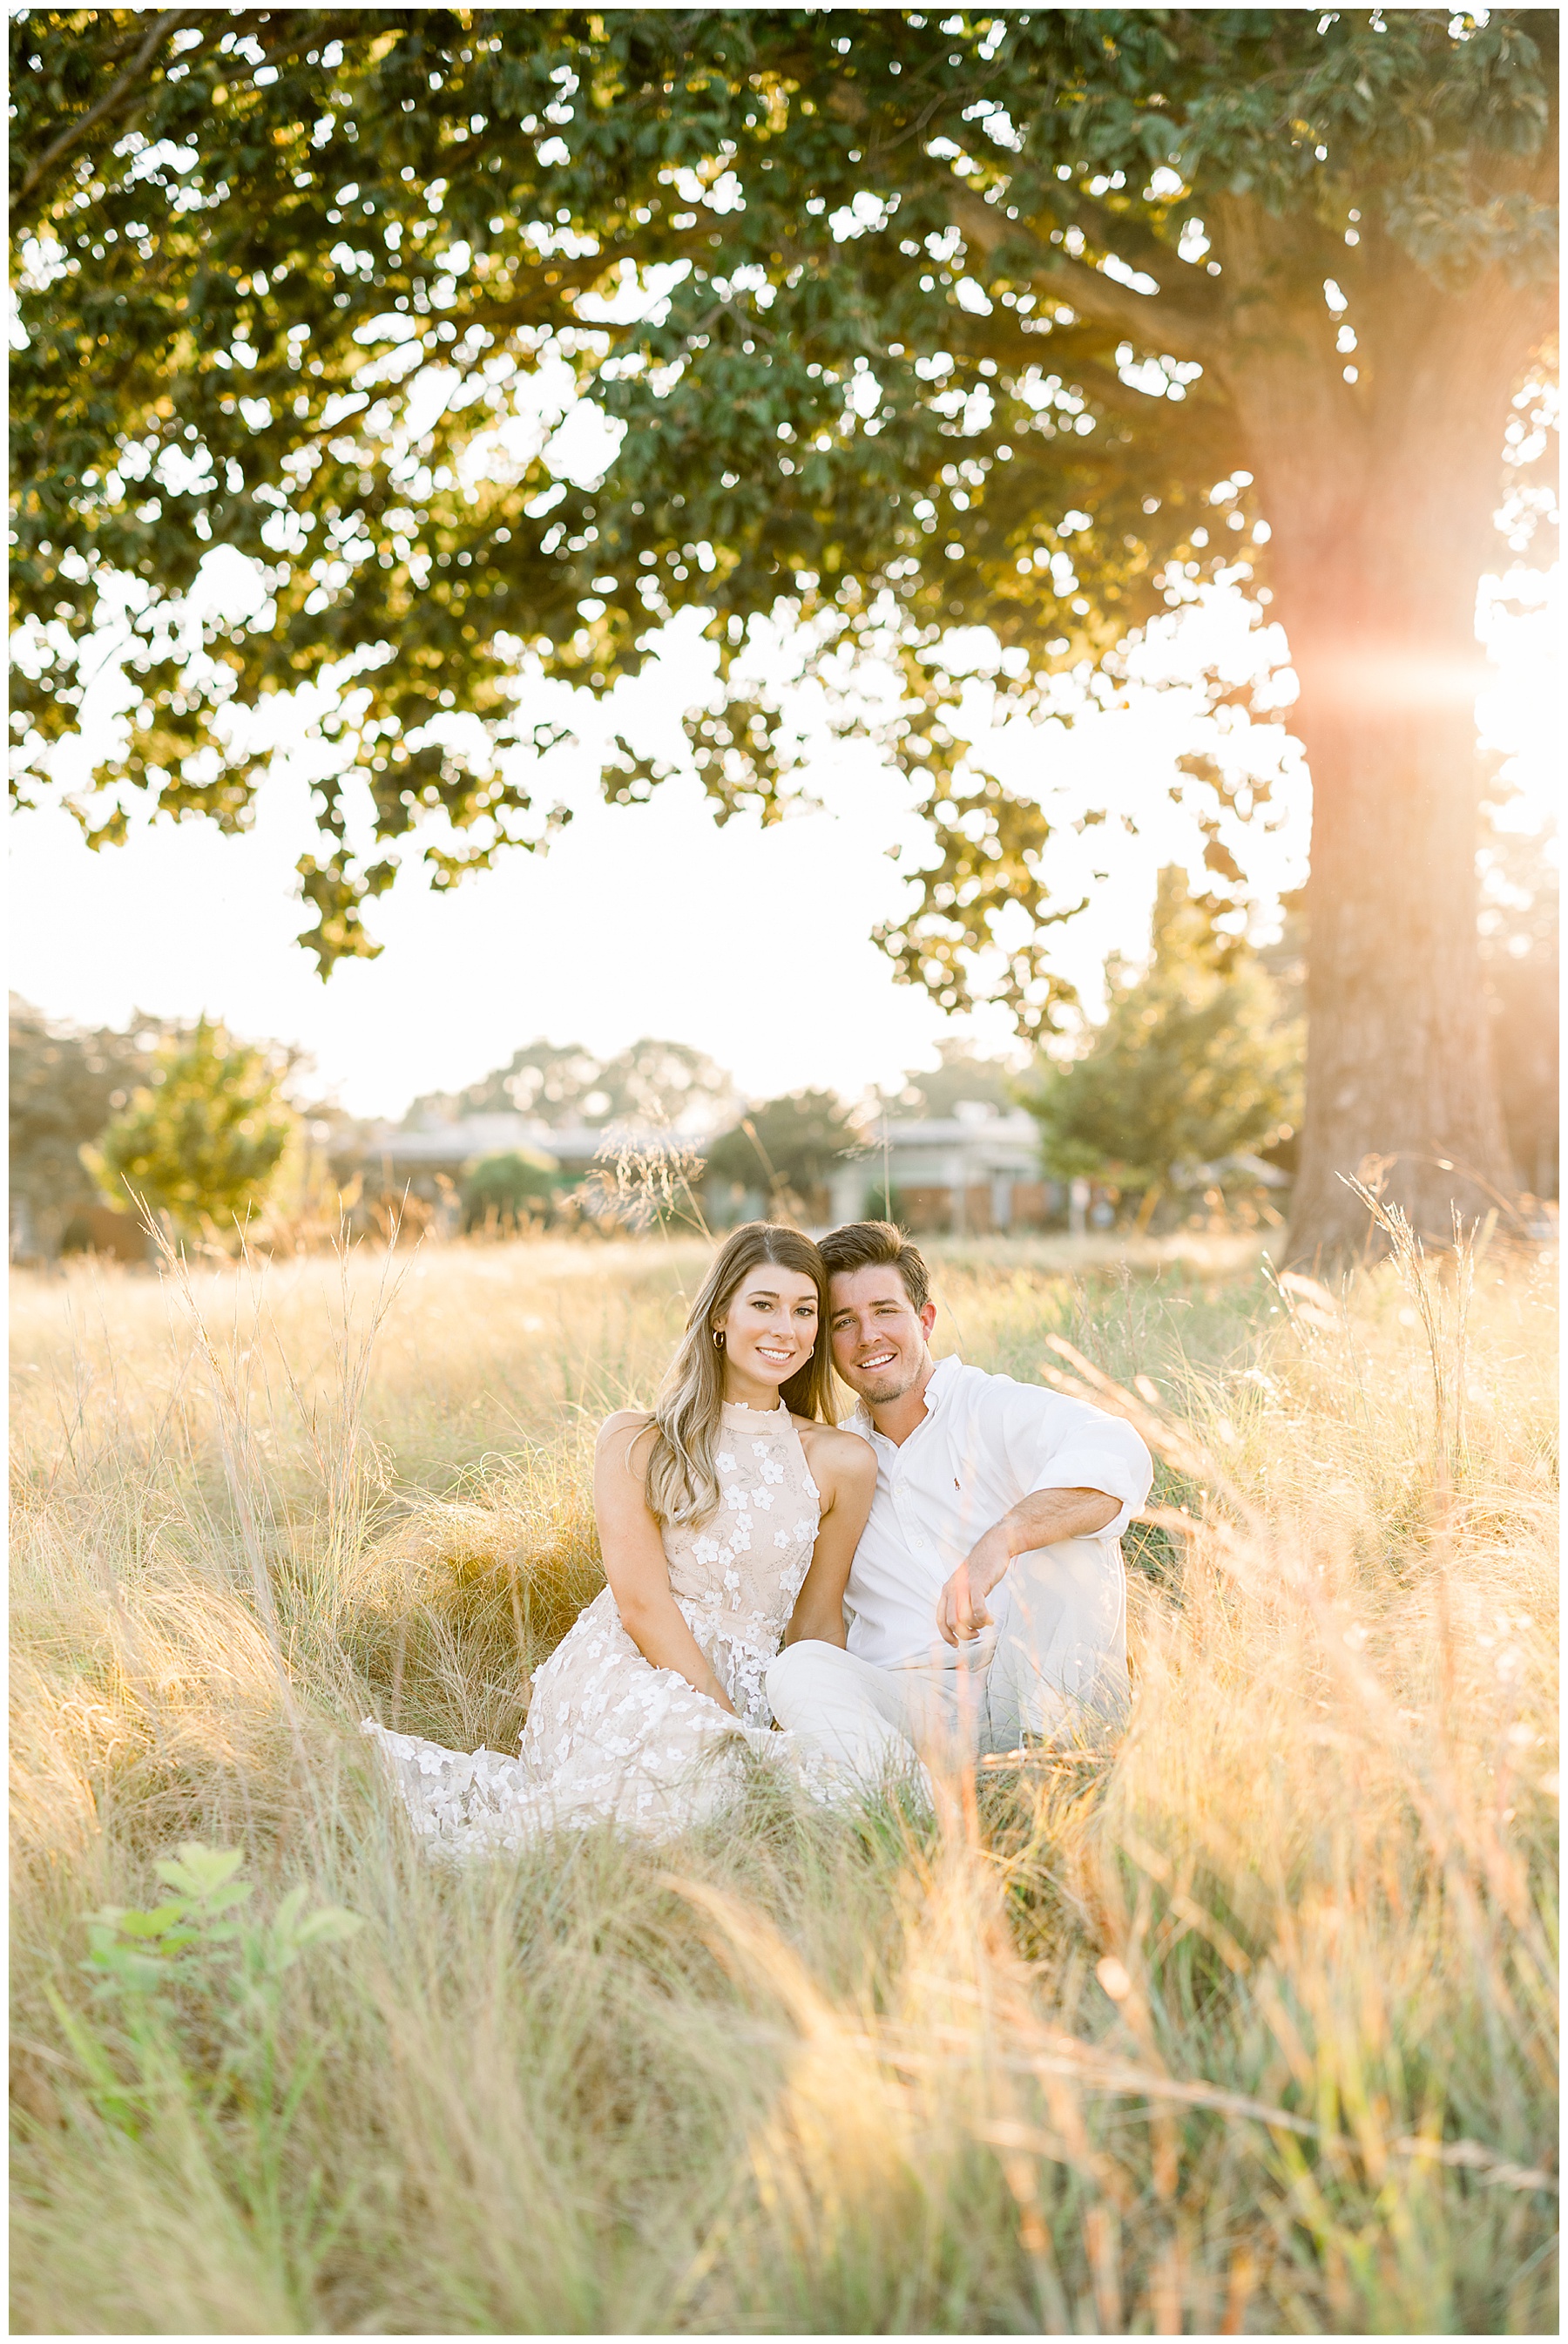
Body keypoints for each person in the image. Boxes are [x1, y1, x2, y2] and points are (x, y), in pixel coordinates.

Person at [364, 1223, 876, 1853]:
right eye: (763, 1305)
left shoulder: (840, 1460)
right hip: (628, 1665)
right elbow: (639, 1603)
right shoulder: (639, 1439)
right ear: (720, 1314)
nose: (785, 1329)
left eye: (805, 1311)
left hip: (747, 1685)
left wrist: (802, 1716)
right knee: (696, 1766)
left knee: (789, 1789)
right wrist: (723, 1719)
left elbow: (818, 1625)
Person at [766, 1221, 1153, 1785]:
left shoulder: (989, 1407)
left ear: (924, 1320)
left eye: (885, 1311)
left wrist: (1000, 1542)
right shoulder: (834, 1460)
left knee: (1065, 1540)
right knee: (797, 1667)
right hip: (910, 1702)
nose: (867, 1336)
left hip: (1023, 1682)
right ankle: (912, 1807)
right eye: (843, 1322)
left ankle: (1057, 1776)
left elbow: (1117, 1449)